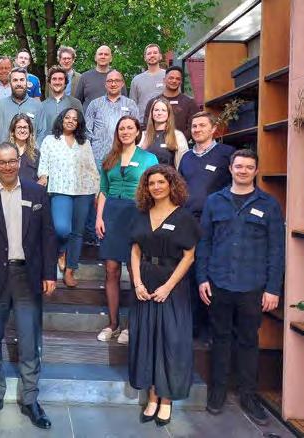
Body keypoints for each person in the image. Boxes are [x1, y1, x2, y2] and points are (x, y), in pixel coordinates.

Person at [0, 142, 57, 430]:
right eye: (1, 162)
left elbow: (48, 236)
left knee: (29, 340)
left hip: (28, 276)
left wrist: (50, 273)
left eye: (11, 161)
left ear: (19, 161)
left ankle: (30, 399)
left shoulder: (37, 193)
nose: (7, 166)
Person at [196, 149, 285, 425]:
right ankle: (218, 392)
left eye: (248, 167)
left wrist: (273, 288)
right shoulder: (214, 201)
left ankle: (248, 395)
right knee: (220, 339)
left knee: (248, 341)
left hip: (252, 286)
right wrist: (202, 278)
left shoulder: (269, 205)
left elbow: (277, 250)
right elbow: (204, 243)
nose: (243, 171)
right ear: (231, 169)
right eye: (239, 166)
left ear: (256, 171)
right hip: (219, 283)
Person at [128, 164, 201, 426]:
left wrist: (168, 286)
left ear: (171, 184)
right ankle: (151, 397)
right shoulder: (140, 214)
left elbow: (189, 256)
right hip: (145, 283)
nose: (156, 187)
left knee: (171, 341)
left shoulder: (184, 217)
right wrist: (137, 283)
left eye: (161, 182)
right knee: (147, 339)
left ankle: (166, 399)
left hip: (172, 285)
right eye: (151, 183)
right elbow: (135, 250)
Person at [96, 116, 158, 344]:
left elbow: (154, 190)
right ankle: (113, 324)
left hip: (136, 213)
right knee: (111, 270)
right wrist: (99, 217)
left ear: (137, 131)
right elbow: (103, 190)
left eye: (130, 128)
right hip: (112, 214)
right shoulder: (109, 158)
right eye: (121, 128)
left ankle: (132, 326)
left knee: (134, 271)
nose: (125, 131)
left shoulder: (148, 158)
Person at [179, 111, 235, 339]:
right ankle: (193, 327)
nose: (197, 129)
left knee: (212, 273)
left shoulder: (226, 154)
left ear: (213, 129)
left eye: (202, 125)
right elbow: (179, 189)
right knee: (190, 273)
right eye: (194, 126)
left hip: (216, 224)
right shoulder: (186, 158)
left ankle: (212, 330)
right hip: (189, 223)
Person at [38, 108, 100, 287]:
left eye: (75, 119)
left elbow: (91, 167)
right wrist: (43, 177)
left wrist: (96, 191)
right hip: (60, 189)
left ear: (79, 123)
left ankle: (70, 270)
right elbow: (44, 164)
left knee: (78, 232)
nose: (71, 121)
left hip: (83, 190)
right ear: (62, 119)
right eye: (67, 117)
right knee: (62, 229)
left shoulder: (84, 143)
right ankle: (62, 251)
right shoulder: (50, 140)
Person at [85, 70, 140, 169]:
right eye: (110, 81)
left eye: (117, 81)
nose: (113, 84)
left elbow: (136, 130)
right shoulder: (94, 104)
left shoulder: (130, 104)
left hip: (123, 155)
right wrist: (89, 154)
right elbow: (87, 131)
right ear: (105, 84)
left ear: (122, 84)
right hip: (99, 156)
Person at [142, 66, 200, 141]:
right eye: (171, 78)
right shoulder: (153, 102)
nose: (174, 81)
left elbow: (193, 126)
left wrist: (178, 140)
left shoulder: (189, 103)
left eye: (177, 79)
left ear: (181, 82)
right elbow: (147, 125)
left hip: (181, 144)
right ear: (164, 80)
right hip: (156, 143)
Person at [0, 67, 42, 147]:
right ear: (10, 83)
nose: (19, 83)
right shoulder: (1, 105)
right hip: (5, 153)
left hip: (30, 153)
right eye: (15, 80)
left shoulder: (37, 106)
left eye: (22, 80)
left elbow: (41, 133)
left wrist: (34, 152)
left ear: (27, 82)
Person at [36, 65, 83, 146]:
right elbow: (39, 132)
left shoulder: (75, 103)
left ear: (65, 83)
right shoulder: (41, 106)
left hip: (71, 148)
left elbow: (81, 128)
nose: (57, 82)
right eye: (54, 79)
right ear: (49, 83)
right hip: (48, 148)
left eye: (60, 79)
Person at [139, 97, 188, 169]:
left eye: (163, 110)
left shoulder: (177, 135)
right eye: (156, 110)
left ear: (169, 114)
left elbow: (183, 163)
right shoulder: (143, 135)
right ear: (152, 113)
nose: (159, 113)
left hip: (169, 175)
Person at [75, 45, 127, 112]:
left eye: (106, 54)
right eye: (100, 54)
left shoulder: (118, 77)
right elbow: (77, 102)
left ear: (111, 58)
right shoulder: (85, 77)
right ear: (95, 58)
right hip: (89, 117)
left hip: (112, 116)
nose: (103, 56)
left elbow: (124, 101)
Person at [130, 44, 166, 127]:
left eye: (155, 53)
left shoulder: (168, 77)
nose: (152, 55)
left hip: (164, 123)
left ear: (160, 56)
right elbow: (132, 105)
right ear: (145, 58)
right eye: (149, 53)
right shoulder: (136, 80)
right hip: (142, 124)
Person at [6, 114, 40, 182]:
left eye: (25, 127)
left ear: (30, 131)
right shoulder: (5, 152)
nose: (22, 131)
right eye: (19, 127)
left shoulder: (36, 154)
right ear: (13, 131)